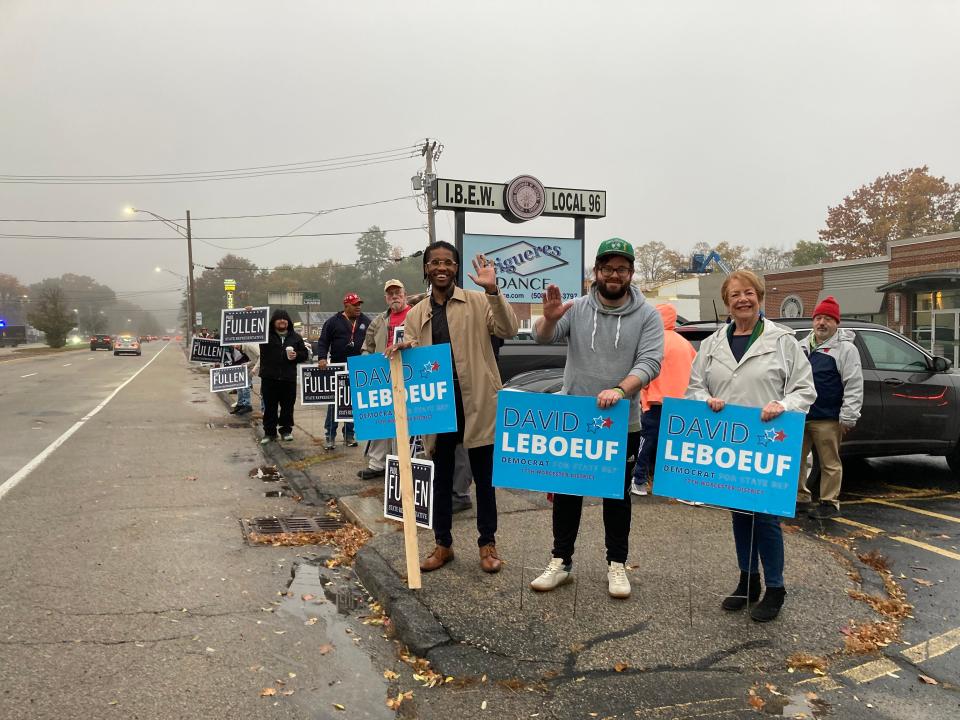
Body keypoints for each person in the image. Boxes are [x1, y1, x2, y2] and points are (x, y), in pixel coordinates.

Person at [529, 238, 664, 599]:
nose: (614, 274)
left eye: (621, 268)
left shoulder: (647, 315)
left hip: (622, 421)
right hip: (575, 418)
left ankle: (617, 565)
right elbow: (543, 338)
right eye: (608, 268)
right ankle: (561, 562)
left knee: (617, 497)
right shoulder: (575, 308)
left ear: (631, 274)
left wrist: (620, 390)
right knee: (567, 492)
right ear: (596, 272)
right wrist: (549, 319)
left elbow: (650, 363)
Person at [685, 270, 816, 622]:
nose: (742, 299)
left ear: (759, 297)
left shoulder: (783, 341)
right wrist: (706, 399)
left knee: (766, 517)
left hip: (767, 441)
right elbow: (693, 389)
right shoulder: (712, 344)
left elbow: (804, 390)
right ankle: (748, 581)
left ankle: (775, 588)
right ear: (726, 303)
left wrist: (783, 406)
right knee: (740, 515)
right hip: (728, 444)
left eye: (748, 293)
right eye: (734, 295)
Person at [394, 241, 519, 573]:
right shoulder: (417, 313)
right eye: (435, 262)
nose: (441, 267)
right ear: (425, 269)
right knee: (441, 479)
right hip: (437, 408)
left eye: (448, 262)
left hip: (477, 401)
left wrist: (493, 289)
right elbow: (409, 361)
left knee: (484, 479)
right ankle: (443, 544)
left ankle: (487, 544)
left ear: (456, 268)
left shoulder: (478, 301)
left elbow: (508, 328)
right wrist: (401, 351)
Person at [796, 296, 863, 520]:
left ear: (836, 323)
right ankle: (800, 499)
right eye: (818, 318)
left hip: (828, 418)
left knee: (829, 462)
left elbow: (853, 384)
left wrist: (849, 416)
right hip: (800, 415)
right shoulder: (801, 346)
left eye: (827, 319)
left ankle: (829, 502)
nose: (821, 323)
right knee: (796, 459)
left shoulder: (845, 350)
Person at [631, 303, 697, 496]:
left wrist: (643, 398)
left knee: (647, 440)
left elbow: (642, 372)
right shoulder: (685, 344)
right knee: (677, 446)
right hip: (683, 404)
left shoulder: (653, 342)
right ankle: (678, 486)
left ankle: (639, 481)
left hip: (657, 401)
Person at [357, 279, 417, 479]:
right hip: (382, 375)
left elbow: (425, 339)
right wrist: (367, 364)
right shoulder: (379, 321)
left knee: (409, 420)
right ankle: (377, 464)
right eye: (390, 293)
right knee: (379, 418)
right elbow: (368, 346)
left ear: (404, 294)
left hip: (411, 374)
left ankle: (404, 463)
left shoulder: (416, 315)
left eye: (397, 292)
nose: (394, 296)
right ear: (386, 298)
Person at [316, 293, 370, 450]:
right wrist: (321, 357)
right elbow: (323, 341)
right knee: (335, 403)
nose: (358, 306)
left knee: (352, 403)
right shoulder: (333, 321)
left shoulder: (366, 321)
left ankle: (349, 435)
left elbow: (372, 340)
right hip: (338, 368)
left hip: (358, 368)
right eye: (355, 304)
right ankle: (330, 436)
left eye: (360, 304)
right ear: (346, 306)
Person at [258, 309, 309, 444]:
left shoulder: (295, 337)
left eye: (285, 319)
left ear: (288, 322)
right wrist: (250, 312)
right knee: (270, 407)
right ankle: (269, 433)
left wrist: (296, 355)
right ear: (274, 321)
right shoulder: (264, 335)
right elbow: (250, 330)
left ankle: (286, 431)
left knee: (287, 407)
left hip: (288, 378)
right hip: (269, 377)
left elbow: (305, 354)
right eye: (279, 319)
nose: (282, 321)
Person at [226, 344, 254, 415]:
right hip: (238, 368)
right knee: (239, 387)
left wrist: (248, 365)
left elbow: (252, 358)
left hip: (246, 368)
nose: (234, 346)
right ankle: (240, 404)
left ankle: (247, 405)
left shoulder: (245, 347)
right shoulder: (229, 348)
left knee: (245, 386)